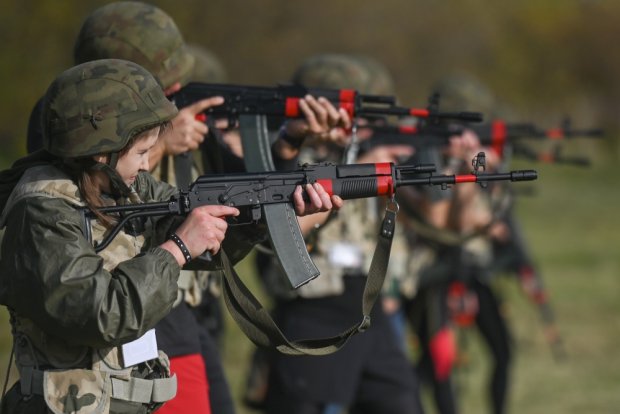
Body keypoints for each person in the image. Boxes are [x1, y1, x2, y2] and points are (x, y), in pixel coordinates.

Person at [0, 58, 239, 414]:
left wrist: (259, 212)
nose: (147, 164)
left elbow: (197, 229)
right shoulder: (41, 211)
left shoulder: (124, 189)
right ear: (100, 151)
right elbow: (102, 313)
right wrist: (176, 250)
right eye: (142, 152)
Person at [253, 53, 424, 414]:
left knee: (402, 400)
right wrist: (358, 173)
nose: (355, 125)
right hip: (312, 311)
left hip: (364, 310)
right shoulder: (284, 158)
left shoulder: (357, 151)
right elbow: (273, 235)